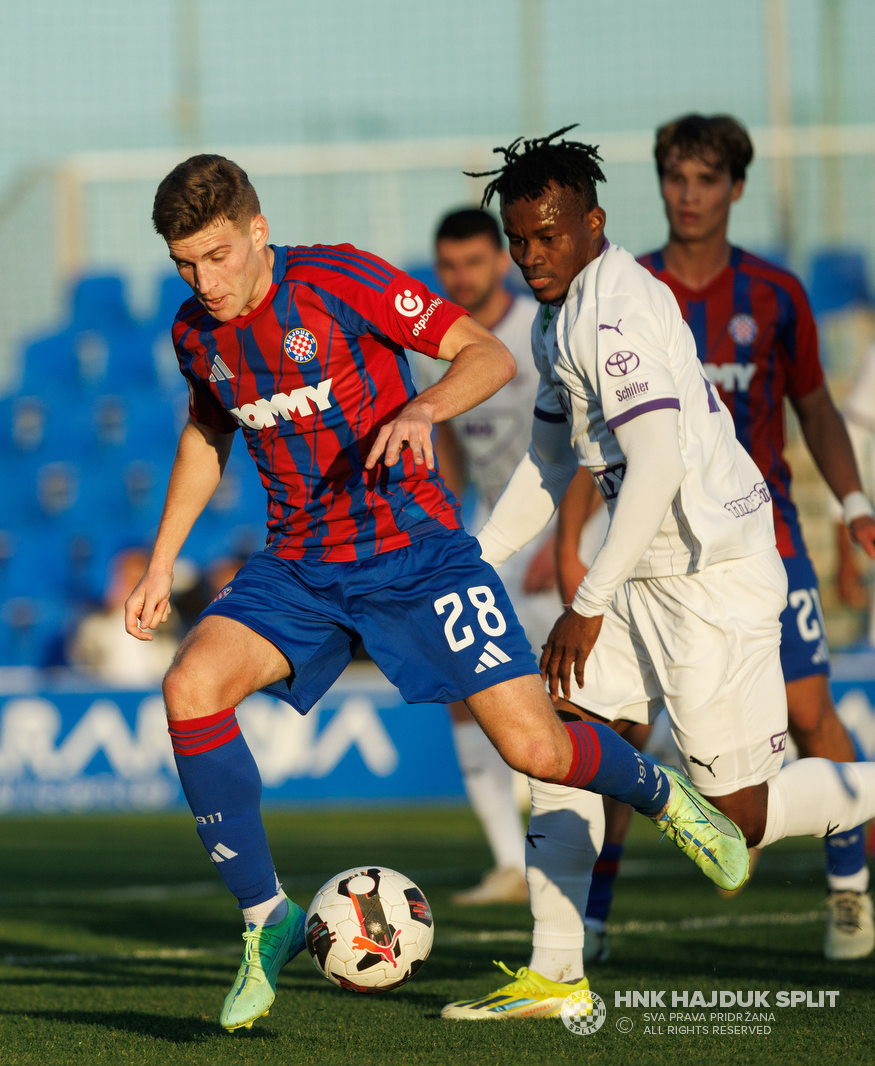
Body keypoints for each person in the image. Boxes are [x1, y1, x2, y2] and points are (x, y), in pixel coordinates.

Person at [127, 152, 752, 1034]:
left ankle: (661, 793)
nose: (206, 280)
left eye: (219, 256)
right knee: (189, 686)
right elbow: (207, 430)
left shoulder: (339, 279)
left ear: (257, 231)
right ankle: (266, 920)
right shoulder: (198, 334)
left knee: (535, 751)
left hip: (417, 558)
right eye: (186, 265)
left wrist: (423, 410)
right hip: (301, 567)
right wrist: (162, 561)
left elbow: (487, 355)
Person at [442, 127, 875, 1021]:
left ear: (594, 224)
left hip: (712, 577)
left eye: (547, 237)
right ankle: (557, 971)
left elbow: (660, 467)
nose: (530, 256)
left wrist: (586, 602)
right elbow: (548, 462)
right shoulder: (561, 318)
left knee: (739, 825)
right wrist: (468, 560)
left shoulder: (619, 311)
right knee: (557, 746)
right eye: (520, 240)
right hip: (643, 573)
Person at [570, 115, 873, 962]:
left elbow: (815, 405)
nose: (689, 194)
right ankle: (586, 921)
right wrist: (572, 540)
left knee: (811, 716)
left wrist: (851, 504)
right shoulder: (622, 292)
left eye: (707, 179)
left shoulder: (775, 294)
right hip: (643, 546)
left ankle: (848, 892)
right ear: (660, 184)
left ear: (735, 187)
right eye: (676, 177)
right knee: (613, 735)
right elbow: (579, 432)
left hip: (758, 541)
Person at [424, 207, 543, 906]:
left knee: (587, 702)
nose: (459, 277)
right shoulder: (435, 346)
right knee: (465, 688)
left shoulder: (537, 330)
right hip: (492, 540)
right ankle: (508, 862)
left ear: (501, 261)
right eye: (447, 266)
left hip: (571, 535)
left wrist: (566, 544)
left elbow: (585, 436)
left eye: (472, 262)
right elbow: (449, 457)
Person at [68, 547, 178, 685]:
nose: (132, 588)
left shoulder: (168, 623)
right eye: (125, 579)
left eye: (137, 580)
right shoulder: (94, 624)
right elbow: (80, 664)